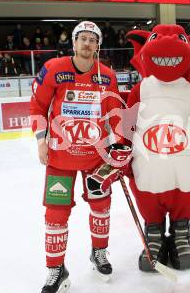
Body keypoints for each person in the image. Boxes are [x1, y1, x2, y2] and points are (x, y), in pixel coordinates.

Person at [30, 21, 132, 293]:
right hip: (60, 158)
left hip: (95, 158)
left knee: (101, 207)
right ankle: (55, 269)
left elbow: (116, 115)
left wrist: (120, 144)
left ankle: (99, 253)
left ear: (98, 45)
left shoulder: (107, 75)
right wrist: (41, 141)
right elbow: (37, 106)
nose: (87, 43)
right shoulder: (53, 68)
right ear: (74, 43)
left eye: (92, 39)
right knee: (55, 214)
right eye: (82, 38)